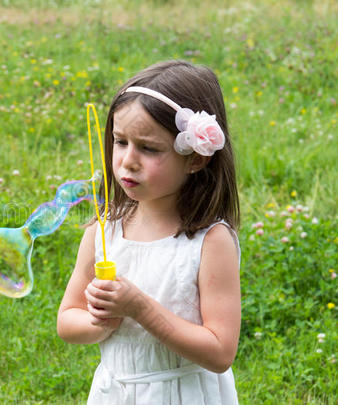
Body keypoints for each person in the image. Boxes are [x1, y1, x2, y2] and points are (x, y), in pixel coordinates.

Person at [57, 60, 241, 404]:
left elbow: (220, 352)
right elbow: (68, 320)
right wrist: (101, 323)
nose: (127, 160)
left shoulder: (209, 242)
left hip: (182, 394)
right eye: (120, 141)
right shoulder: (105, 230)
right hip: (115, 393)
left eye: (149, 148)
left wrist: (140, 308)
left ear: (196, 159)